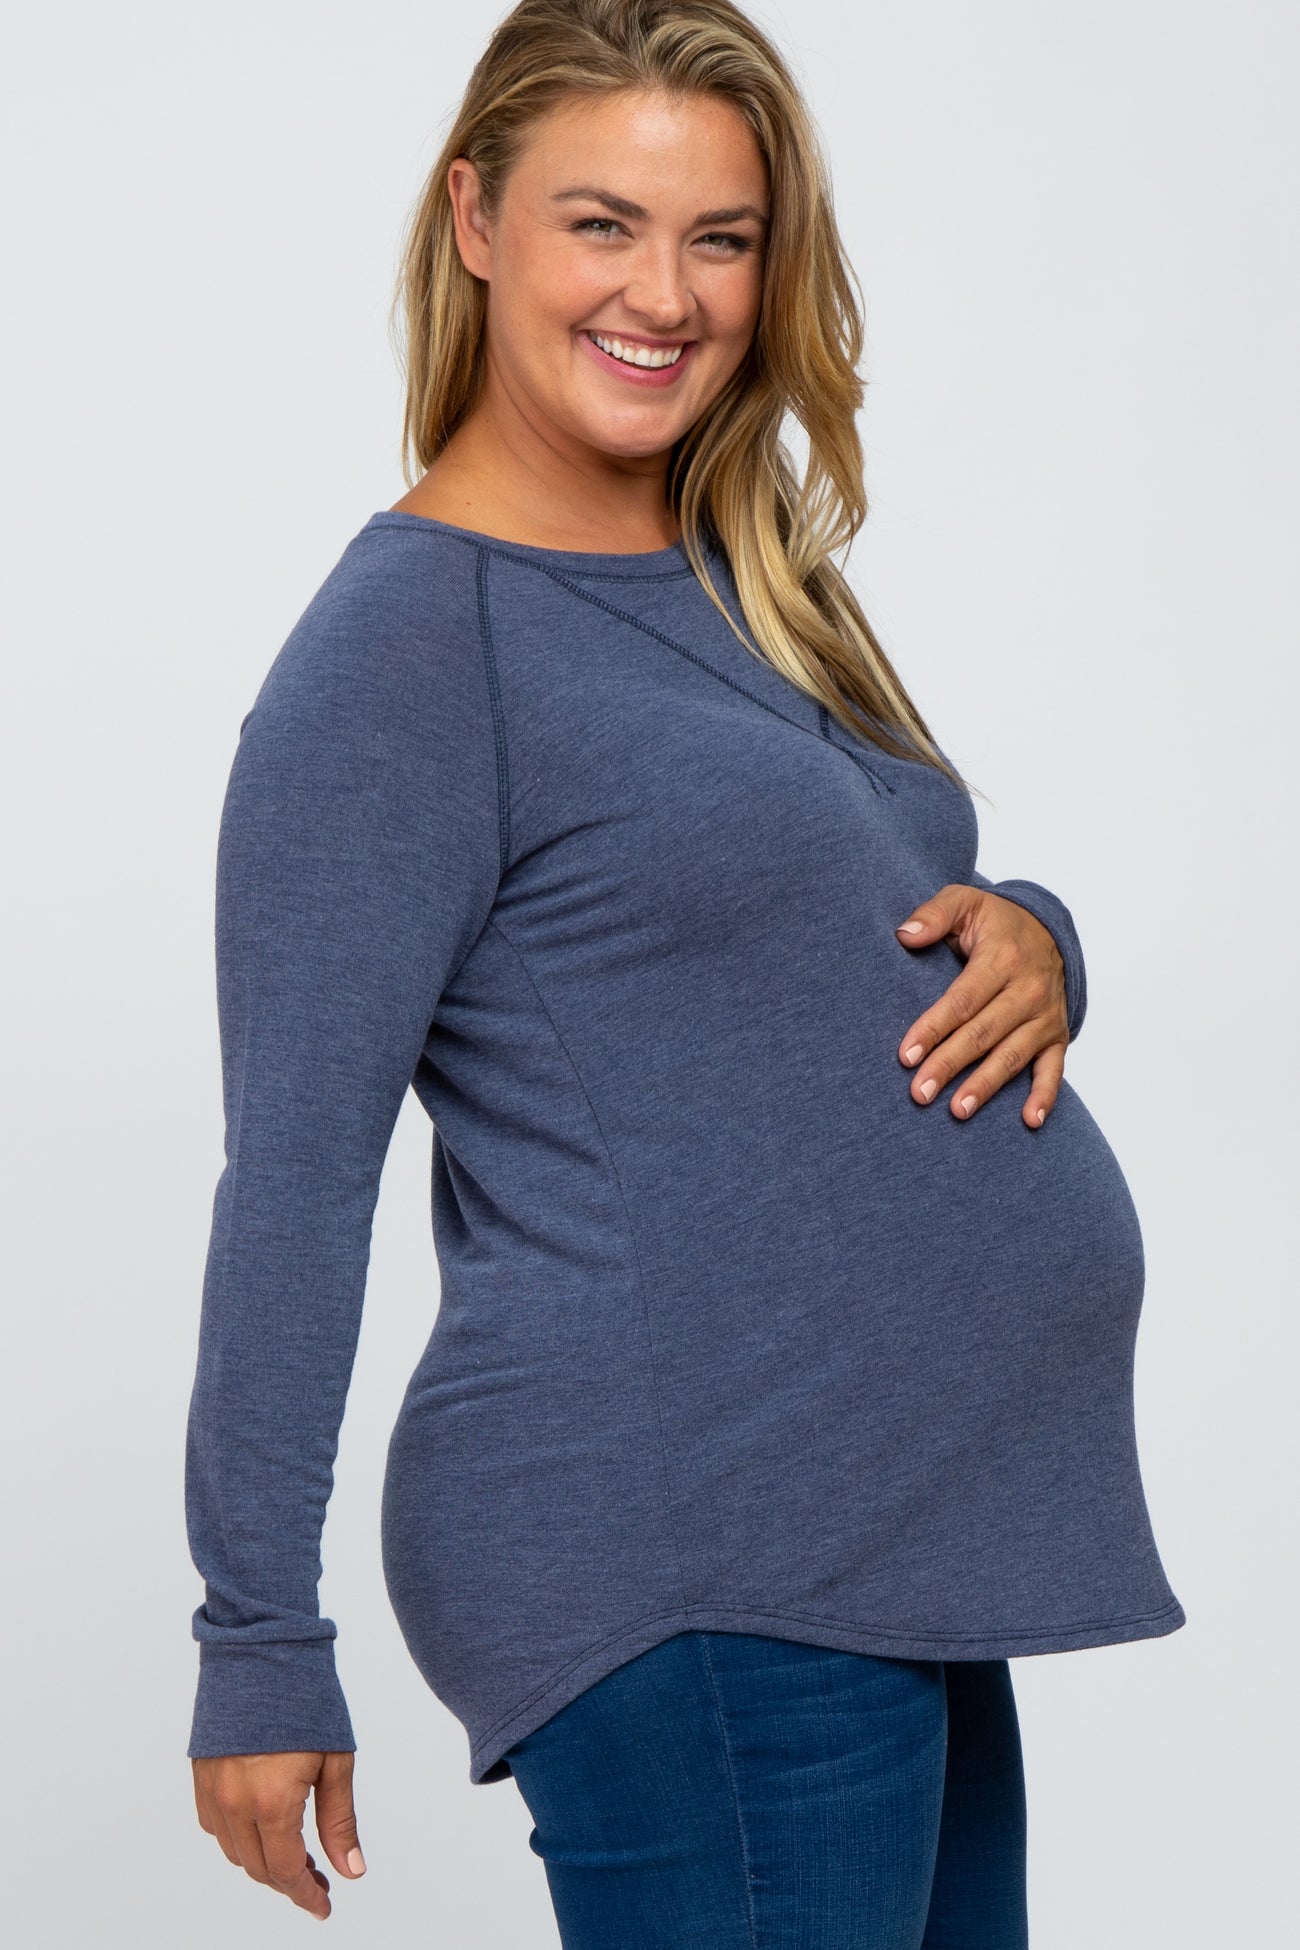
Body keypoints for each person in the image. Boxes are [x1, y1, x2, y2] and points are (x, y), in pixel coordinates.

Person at [184, 1, 1186, 1941]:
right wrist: (256, 1639)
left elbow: (863, 906)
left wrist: (1036, 935)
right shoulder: (406, 654)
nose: (665, 294)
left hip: (884, 1533)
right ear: (474, 220)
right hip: (694, 1553)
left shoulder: (743, 571)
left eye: (719, 238)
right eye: (603, 224)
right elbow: (294, 1177)